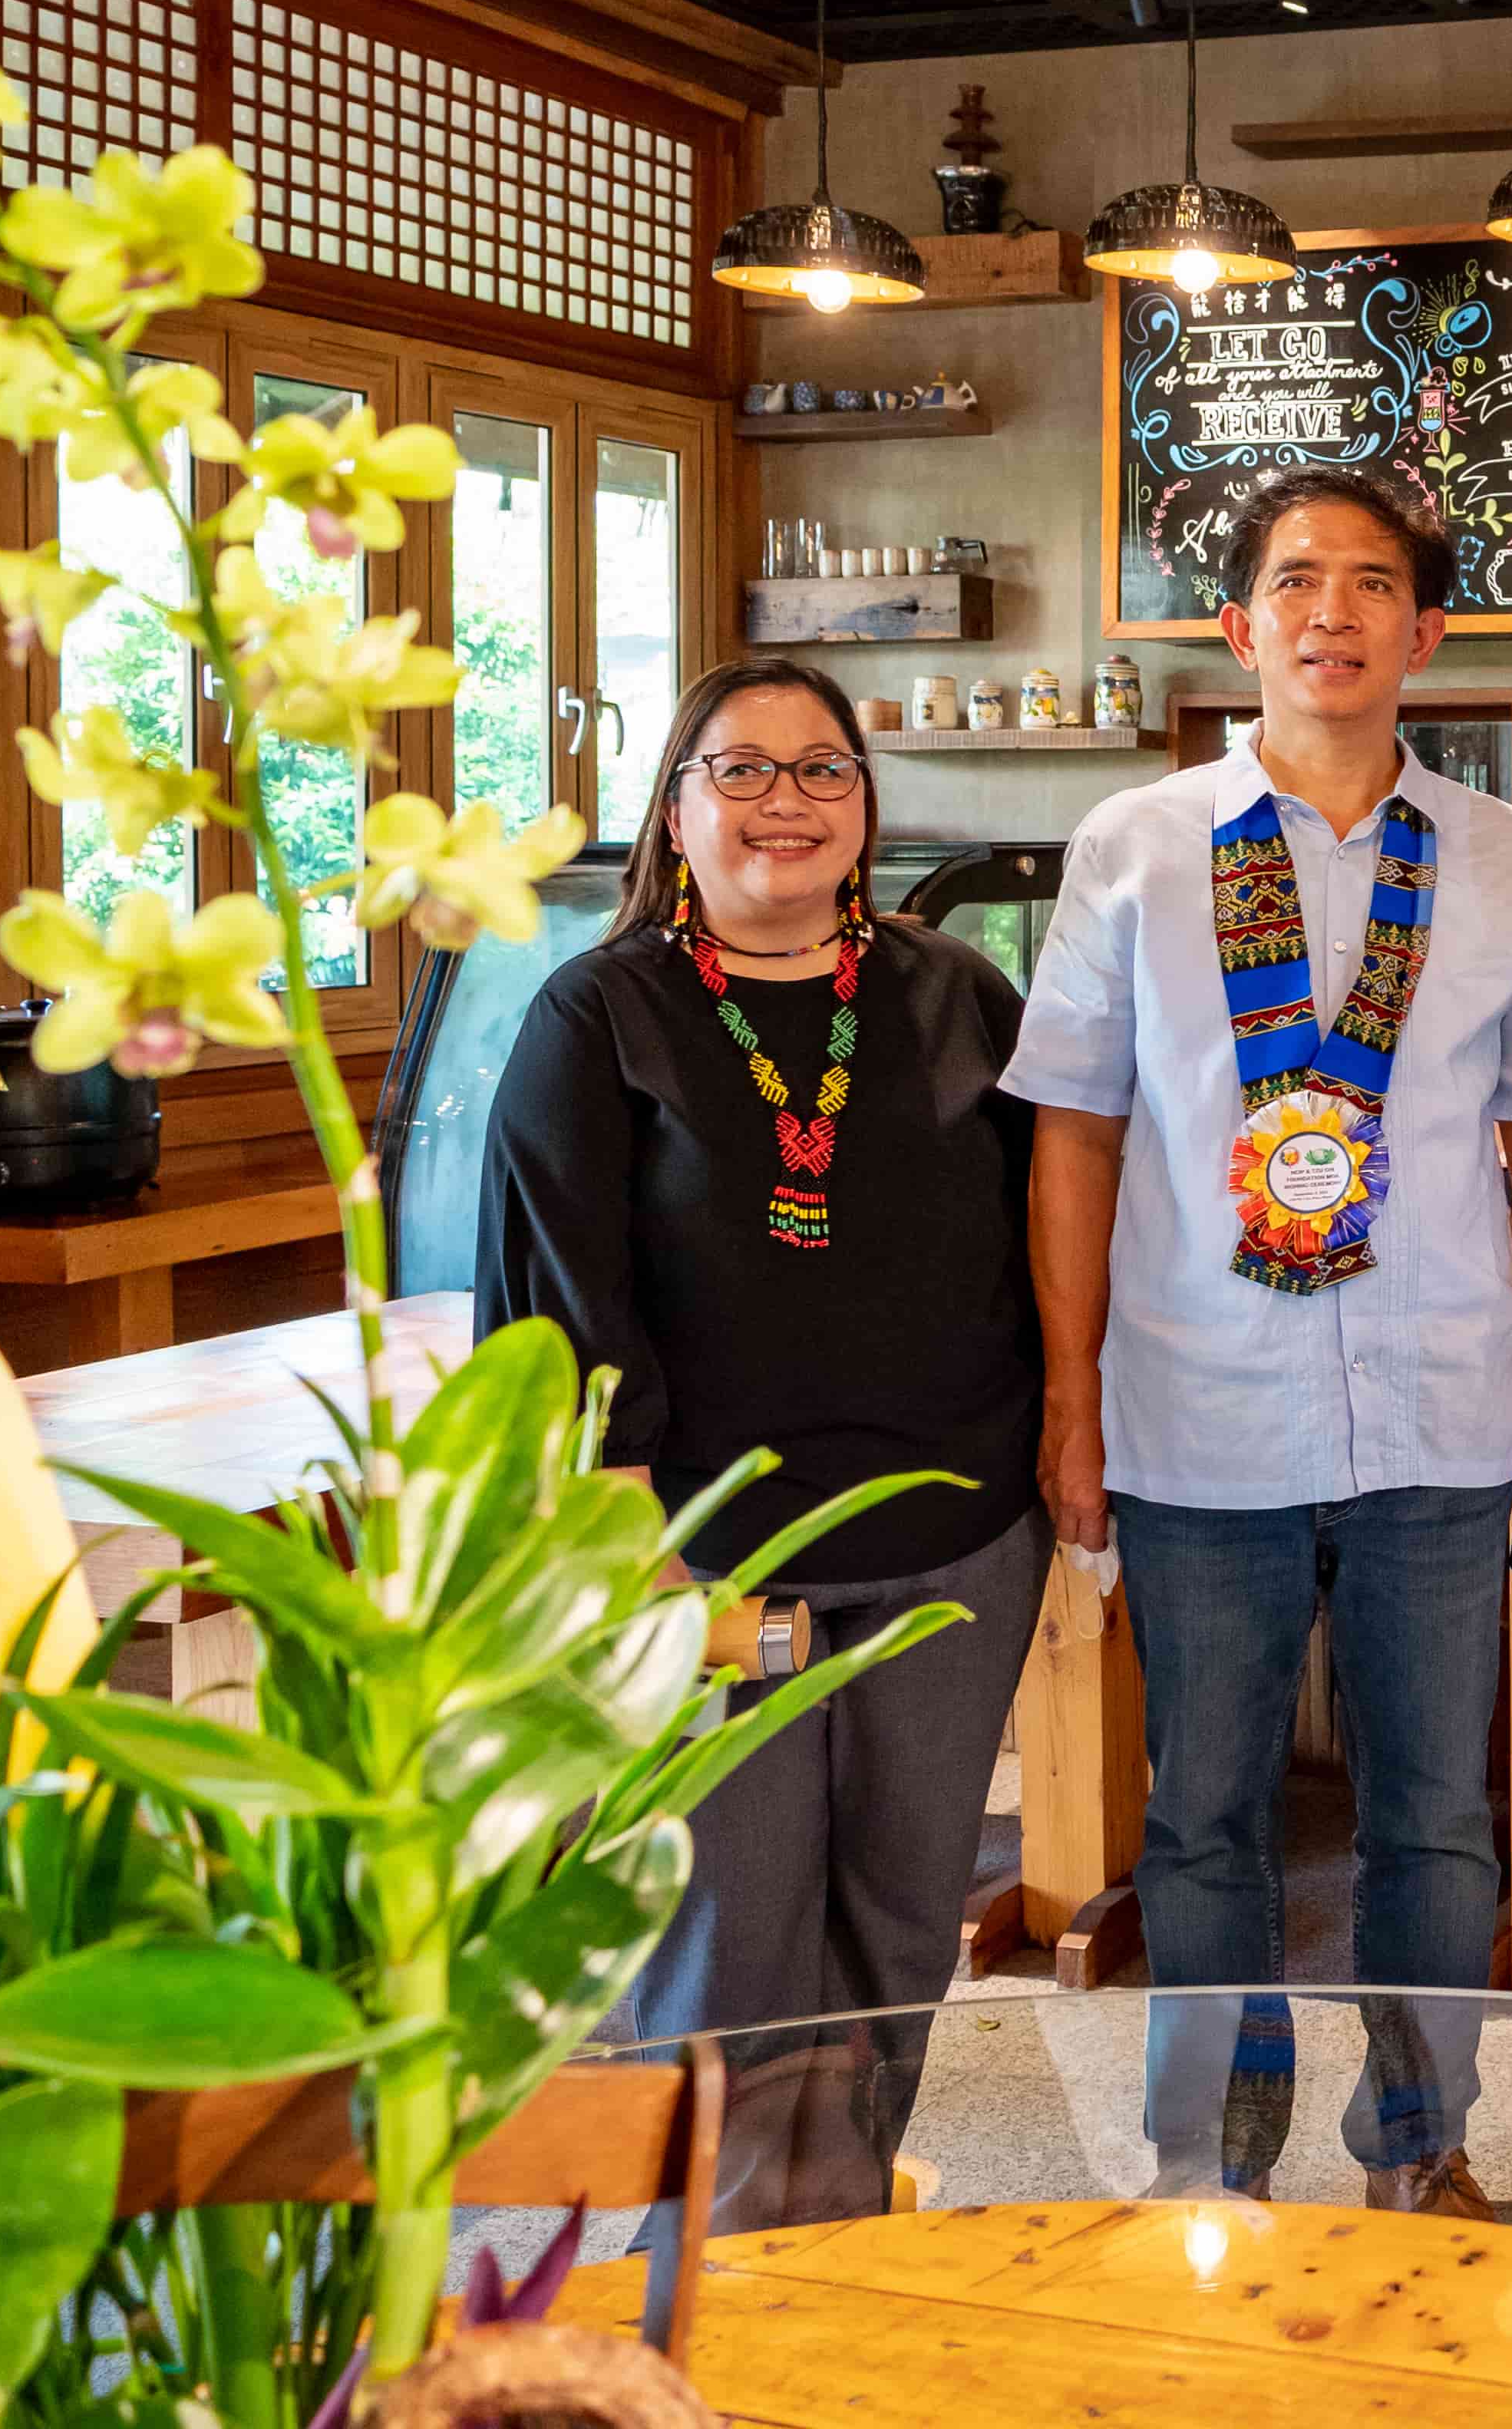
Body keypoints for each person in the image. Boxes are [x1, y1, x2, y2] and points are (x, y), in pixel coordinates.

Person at [1005, 463, 1512, 2213]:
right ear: (1240, 626)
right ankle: (1209, 2155)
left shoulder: (1501, 861)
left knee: (1436, 1816)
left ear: (1427, 630)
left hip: (1441, 1413)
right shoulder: (1134, 848)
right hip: (1197, 1407)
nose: (1330, 612)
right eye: (1294, 581)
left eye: (1368, 584)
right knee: (1204, 1817)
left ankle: (1422, 2143)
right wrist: (1073, 1405)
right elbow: (1075, 1133)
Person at [477, 656, 1048, 2219]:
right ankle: (728, 2281)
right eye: (742, 770)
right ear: (678, 808)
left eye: (821, 771)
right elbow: (556, 1311)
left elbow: (1057, 1237)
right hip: (707, 1559)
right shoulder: (599, 1013)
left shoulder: (956, 995)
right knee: (727, 1937)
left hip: (954, 1536)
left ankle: (845, 2243)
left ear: (866, 810)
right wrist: (622, 1547)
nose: (784, 802)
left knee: (902, 1915)